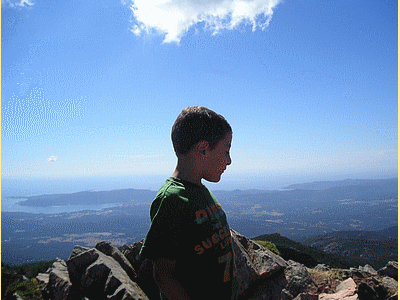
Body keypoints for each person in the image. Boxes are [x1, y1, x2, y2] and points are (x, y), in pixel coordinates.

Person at [140, 106, 238, 300]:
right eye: (226, 151)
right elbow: (164, 275)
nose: (229, 161)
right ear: (202, 149)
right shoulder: (172, 200)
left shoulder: (199, 190)